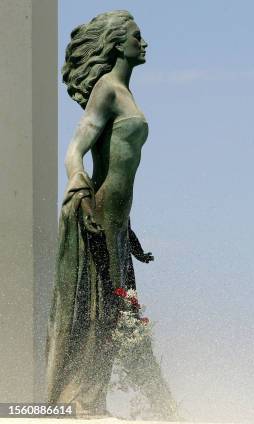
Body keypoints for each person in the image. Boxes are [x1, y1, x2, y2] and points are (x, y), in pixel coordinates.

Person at [46, 11, 174, 417]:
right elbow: (75, 148)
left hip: (118, 224)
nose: (144, 42)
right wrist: (76, 181)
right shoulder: (108, 90)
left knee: (118, 318)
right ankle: (79, 404)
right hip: (98, 217)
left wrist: (130, 234)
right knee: (106, 317)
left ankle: (109, 402)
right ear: (117, 43)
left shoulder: (125, 92)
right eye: (137, 36)